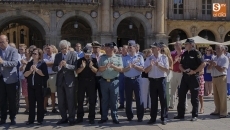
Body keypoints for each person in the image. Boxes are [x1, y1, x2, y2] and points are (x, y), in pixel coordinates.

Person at [174, 39, 205, 121]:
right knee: (181, 94)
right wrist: (183, 70)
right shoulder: (184, 53)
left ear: (191, 44)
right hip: (185, 77)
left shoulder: (196, 53)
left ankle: (194, 115)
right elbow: (180, 65)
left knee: (194, 97)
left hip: (194, 77)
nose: (185, 45)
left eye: (186, 44)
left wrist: (195, 71)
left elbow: (203, 64)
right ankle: (180, 114)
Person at [53, 40, 78, 126]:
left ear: (68, 47)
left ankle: (71, 118)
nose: (64, 50)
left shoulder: (73, 54)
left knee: (70, 100)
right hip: (60, 81)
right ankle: (64, 118)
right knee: (61, 101)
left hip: (69, 81)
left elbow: (75, 67)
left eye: (65, 48)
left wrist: (66, 65)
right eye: (62, 48)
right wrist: (59, 66)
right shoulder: (57, 56)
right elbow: (54, 68)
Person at [98, 42, 123, 124]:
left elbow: (121, 69)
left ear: (112, 49)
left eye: (106, 48)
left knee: (114, 100)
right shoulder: (102, 58)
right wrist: (106, 66)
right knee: (104, 100)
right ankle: (104, 117)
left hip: (114, 81)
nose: (105, 49)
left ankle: (114, 117)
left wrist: (113, 66)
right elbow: (99, 69)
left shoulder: (118, 57)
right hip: (104, 81)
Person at [144, 42, 169, 125]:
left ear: (158, 49)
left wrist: (159, 65)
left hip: (161, 80)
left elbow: (166, 69)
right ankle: (153, 118)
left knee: (163, 99)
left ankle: (164, 117)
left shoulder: (164, 57)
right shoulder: (149, 58)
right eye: (152, 48)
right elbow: (146, 71)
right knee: (153, 100)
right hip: (153, 81)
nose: (152, 49)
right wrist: (151, 66)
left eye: (154, 48)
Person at [24, 48, 49, 125]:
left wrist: (36, 70)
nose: (33, 55)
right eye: (33, 53)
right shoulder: (29, 63)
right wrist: (30, 71)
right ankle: (31, 120)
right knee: (31, 103)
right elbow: (25, 74)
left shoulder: (42, 63)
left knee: (40, 103)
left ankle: (40, 119)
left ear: (39, 55)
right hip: (31, 86)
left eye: (35, 54)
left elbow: (44, 74)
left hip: (39, 86)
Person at [123, 40, 144, 122]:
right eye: (128, 47)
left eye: (131, 47)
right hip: (127, 80)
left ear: (135, 48)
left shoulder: (140, 57)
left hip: (137, 79)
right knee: (128, 99)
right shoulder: (125, 58)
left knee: (139, 98)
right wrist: (128, 67)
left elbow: (142, 69)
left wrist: (135, 66)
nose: (129, 49)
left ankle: (140, 116)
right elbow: (123, 69)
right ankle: (129, 115)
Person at [75, 47, 98, 124]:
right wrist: (83, 67)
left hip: (91, 82)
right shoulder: (79, 60)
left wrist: (91, 67)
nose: (87, 56)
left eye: (89, 54)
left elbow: (96, 71)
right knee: (80, 100)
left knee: (92, 100)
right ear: (83, 53)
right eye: (86, 54)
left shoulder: (94, 60)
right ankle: (80, 117)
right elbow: (77, 72)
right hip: (81, 81)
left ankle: (91, 117)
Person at [0, 35, 19, 125]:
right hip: (1, 79)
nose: (1, 44)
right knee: (2, 100)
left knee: (12, 100)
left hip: (10, 78)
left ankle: (12, 118)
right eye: (0, 42)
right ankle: (3, 118)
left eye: (2, 42)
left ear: (7, 41)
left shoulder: (13, 51)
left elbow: (15, 63)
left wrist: (3, 62)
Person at [208, 44, 229, 118]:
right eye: (216, 48)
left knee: (222, 96)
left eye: (218, 48)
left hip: (221, 77)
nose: (216, 50)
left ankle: (223, 112)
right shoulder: (214, 58)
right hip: (214, 77)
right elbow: (209, 69)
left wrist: (215, 65)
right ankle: (217, 110)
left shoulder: (225, 58)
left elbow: (222, 69)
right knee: (216, 96)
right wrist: (211, 64)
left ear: (223, 49)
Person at [169, 41, 185, 109]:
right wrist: (175, 61)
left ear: (181, 46)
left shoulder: (184, 53)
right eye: (175, 45)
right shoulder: (172, 53)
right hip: (174, 73)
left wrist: (180, 61)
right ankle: (172, 104)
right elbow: (170, 64)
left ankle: (184, 105)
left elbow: (186, 64)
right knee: (172, 90)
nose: (176, 46)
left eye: (178, 45)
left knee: (183, 90)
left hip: (181, 73)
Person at [43, 44, 59, 114]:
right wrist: (51, 64)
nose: (48, 50)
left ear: (52, 49)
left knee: (53, 93)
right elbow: (43, 64)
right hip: (45, 76)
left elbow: (56, 64)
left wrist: (47, 63)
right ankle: (44, 108)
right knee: (45, 93)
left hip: (53, 75)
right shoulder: (43, 56)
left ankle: (53, 108)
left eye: (49, 48)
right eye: (47, 49)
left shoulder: (55, 56)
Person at [91, 41, 103, 114]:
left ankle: (102, 111)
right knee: (92, 96)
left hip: (101, 77)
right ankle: (92, 112)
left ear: (99, 48)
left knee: (102, 95)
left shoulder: (103, 56)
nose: (95, 49)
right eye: (94, 48)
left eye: (96, 48)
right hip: (93, 77)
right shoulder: (90, 56)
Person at [19, 48, 32, 114]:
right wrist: (23, 64)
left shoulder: (32, 60)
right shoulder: (23, 60)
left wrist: (26, 63)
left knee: (31, 94)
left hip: (31, 79)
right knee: (25, 94)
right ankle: (27, 107)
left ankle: (31, 107)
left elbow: (32, 67)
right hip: (24, 78)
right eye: (25, 52)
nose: (26, 53)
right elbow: (20, 69)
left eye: (27, 52)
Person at [118, 45, 128, 109]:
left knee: (127, 90)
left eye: (124, 49)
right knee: (121, 89)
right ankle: (121, 103)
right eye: (122, 49)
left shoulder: (129, 57)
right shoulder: (119, 57)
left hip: (127, 74)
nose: (123, 50)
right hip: (121, 74)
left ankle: (128, 103)